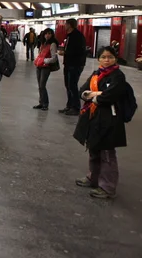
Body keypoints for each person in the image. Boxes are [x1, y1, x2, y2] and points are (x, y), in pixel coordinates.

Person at [73, 46, 127, 199]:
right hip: (94, 117)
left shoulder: (118, 76)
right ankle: (93, 178)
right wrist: (94, 94)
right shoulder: (96, 74)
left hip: (110, 119)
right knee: (94, 148)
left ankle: (107, 187)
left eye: (110, 57)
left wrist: (94, 95)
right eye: (103, 57)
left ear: (115, 58)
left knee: (107, 154)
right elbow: (82, 91)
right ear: (99, 59)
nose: (107, 60)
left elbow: (111, 96)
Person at [58, 18, 87, 115]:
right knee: (68, 85)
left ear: (70, 25)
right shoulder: (69, 36)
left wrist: (65, 53)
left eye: (66, 24)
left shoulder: (77, 36)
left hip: (75, 65)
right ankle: (69, 106)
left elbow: (80, 51)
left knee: (72, 86)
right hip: (68, 64)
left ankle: (76, 107)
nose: (64, 26)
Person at [33, 28, 59, 111]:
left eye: (49, 34)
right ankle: (41, 102)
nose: (47, 35)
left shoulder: (53, 44)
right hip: (39, 66)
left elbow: (54, 58)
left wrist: (45, 60)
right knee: (40, 86)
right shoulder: (43, 43)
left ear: (52, 35)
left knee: (42, 85)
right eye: (46, 34)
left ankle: (45, 104)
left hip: (45, 67)